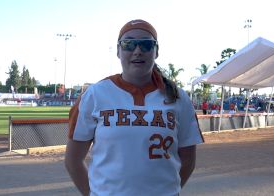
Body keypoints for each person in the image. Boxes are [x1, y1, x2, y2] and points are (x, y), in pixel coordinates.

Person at [65, 19, 204, 196]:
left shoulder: (178, 97)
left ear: (156, 51)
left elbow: (188, 161)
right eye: (128, 44)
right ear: (118, 51)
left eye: (146, 44)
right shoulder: (95, 95)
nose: (137, 51)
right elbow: (73, 160)